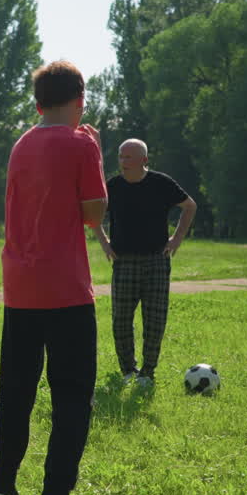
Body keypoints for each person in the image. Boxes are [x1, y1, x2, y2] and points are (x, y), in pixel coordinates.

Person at [0, 60, 108, 495]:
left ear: (37, 102)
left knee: (16, 386)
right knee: (72, 396)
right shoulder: (81, 142)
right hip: (66, 288)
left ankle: (4, 481)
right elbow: (93, 215)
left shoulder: (21, 143)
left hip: (20, 284)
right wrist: (92, 147)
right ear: (80, 99)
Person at [92, 139, 197, 388]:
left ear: (144, 160)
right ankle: (128, 369)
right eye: (121, 156)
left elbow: (189, 206)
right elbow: (94, 212)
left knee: (155, 319)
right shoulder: (113, 186)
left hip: (156, 261)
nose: (123, 162)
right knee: (121, 319)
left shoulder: (161, 183)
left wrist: (177, 238)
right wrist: (104, 242)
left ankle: (148, 372)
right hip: (124, 261)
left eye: (129, 157)